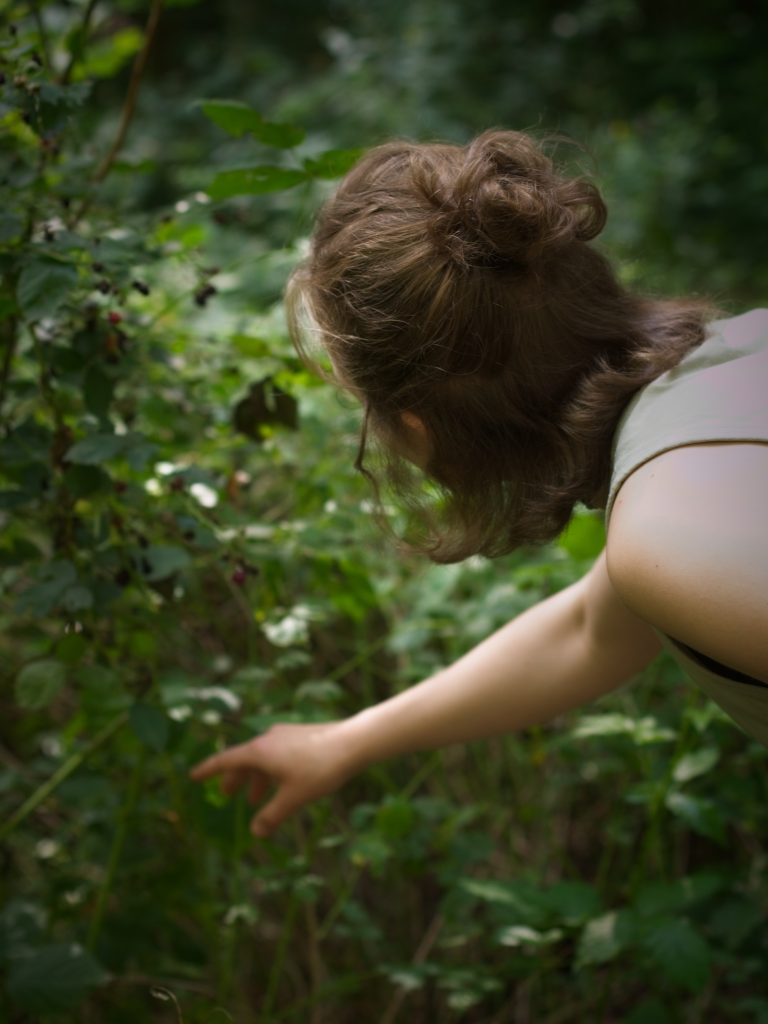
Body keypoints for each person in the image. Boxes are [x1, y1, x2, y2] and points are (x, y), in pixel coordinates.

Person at [190, 129, 768, 837]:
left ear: (418, 428)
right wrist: (346, 741)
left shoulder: (668, 536)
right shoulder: (716, 387)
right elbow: (590, 632)